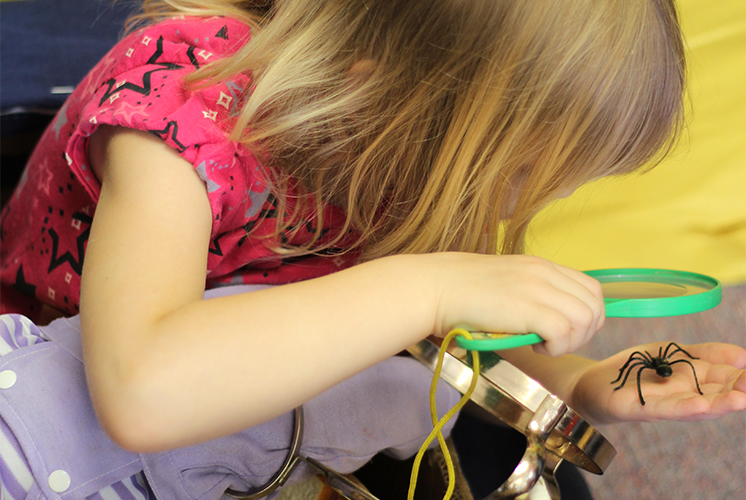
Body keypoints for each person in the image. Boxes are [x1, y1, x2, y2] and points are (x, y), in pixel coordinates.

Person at [1, 0, 745, 498]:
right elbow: (140, 393)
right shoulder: (177, 114)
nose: (527, 206)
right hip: (70, 379)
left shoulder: (397, 142)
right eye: (522, 174)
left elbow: (459, 325)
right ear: (376, 96)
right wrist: (426, 286)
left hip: (273, 381)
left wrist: (579, 385)